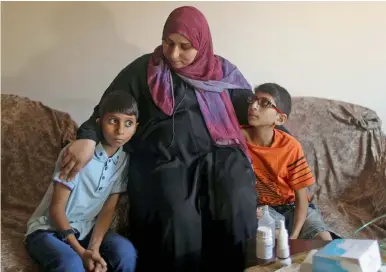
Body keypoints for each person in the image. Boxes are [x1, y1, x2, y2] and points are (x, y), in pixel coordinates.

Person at [55, 6, 269, 272]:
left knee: (236, 198)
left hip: (219, 155)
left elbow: (255, 113)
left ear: (202, 45)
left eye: (185, 46)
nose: (174, 54)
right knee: (177, 213)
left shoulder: (222, 72)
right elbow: (108, 109)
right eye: (168, 43)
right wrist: (87, 138)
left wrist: (278, 134)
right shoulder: (144, 70)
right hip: (165, 158)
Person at [25, 90, 138, 272]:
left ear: (136, 126)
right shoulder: (77, 154)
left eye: (128, 123)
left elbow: (108, 210)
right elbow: (56, 208)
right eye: (113, 121)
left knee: (125, 252)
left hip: (86, 229)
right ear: (99, 122)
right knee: (71, 264)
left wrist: (93, 247)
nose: (120, 131)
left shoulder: (124, 160)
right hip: (49, 229)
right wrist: (80, 251)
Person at [242, 83, 333, 241]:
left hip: (293, 206)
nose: (254, 106)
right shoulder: (237, 139)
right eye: (253, 100)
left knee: (325, 241)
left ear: (280, 118)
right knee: (276, 240)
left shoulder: (290, 146)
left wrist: (295, 235)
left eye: (264, 103)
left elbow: (301, 196)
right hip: (263, 209)